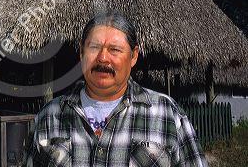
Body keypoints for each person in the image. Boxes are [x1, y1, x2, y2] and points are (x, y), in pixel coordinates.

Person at [24, 11, 207, 166]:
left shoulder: (167, 114)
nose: (103, 58)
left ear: (133, 56)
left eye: (114, 49)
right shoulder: (49, 116)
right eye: (94, 47)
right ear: (81, 53)